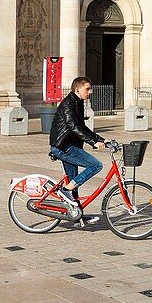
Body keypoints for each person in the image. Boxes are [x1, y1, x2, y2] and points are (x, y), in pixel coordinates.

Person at [49, 77, 106, 225]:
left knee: (73, 181)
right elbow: (73, 126)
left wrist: (101, 139)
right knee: (95, 165)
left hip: (69, 146)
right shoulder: (68, 104)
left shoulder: (78, 103)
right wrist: (93, 143)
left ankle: (76, 216)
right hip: (63, 147)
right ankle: (65, 190)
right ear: (77, 89)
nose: (90, 92)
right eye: (87, 89)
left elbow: (82, 127)